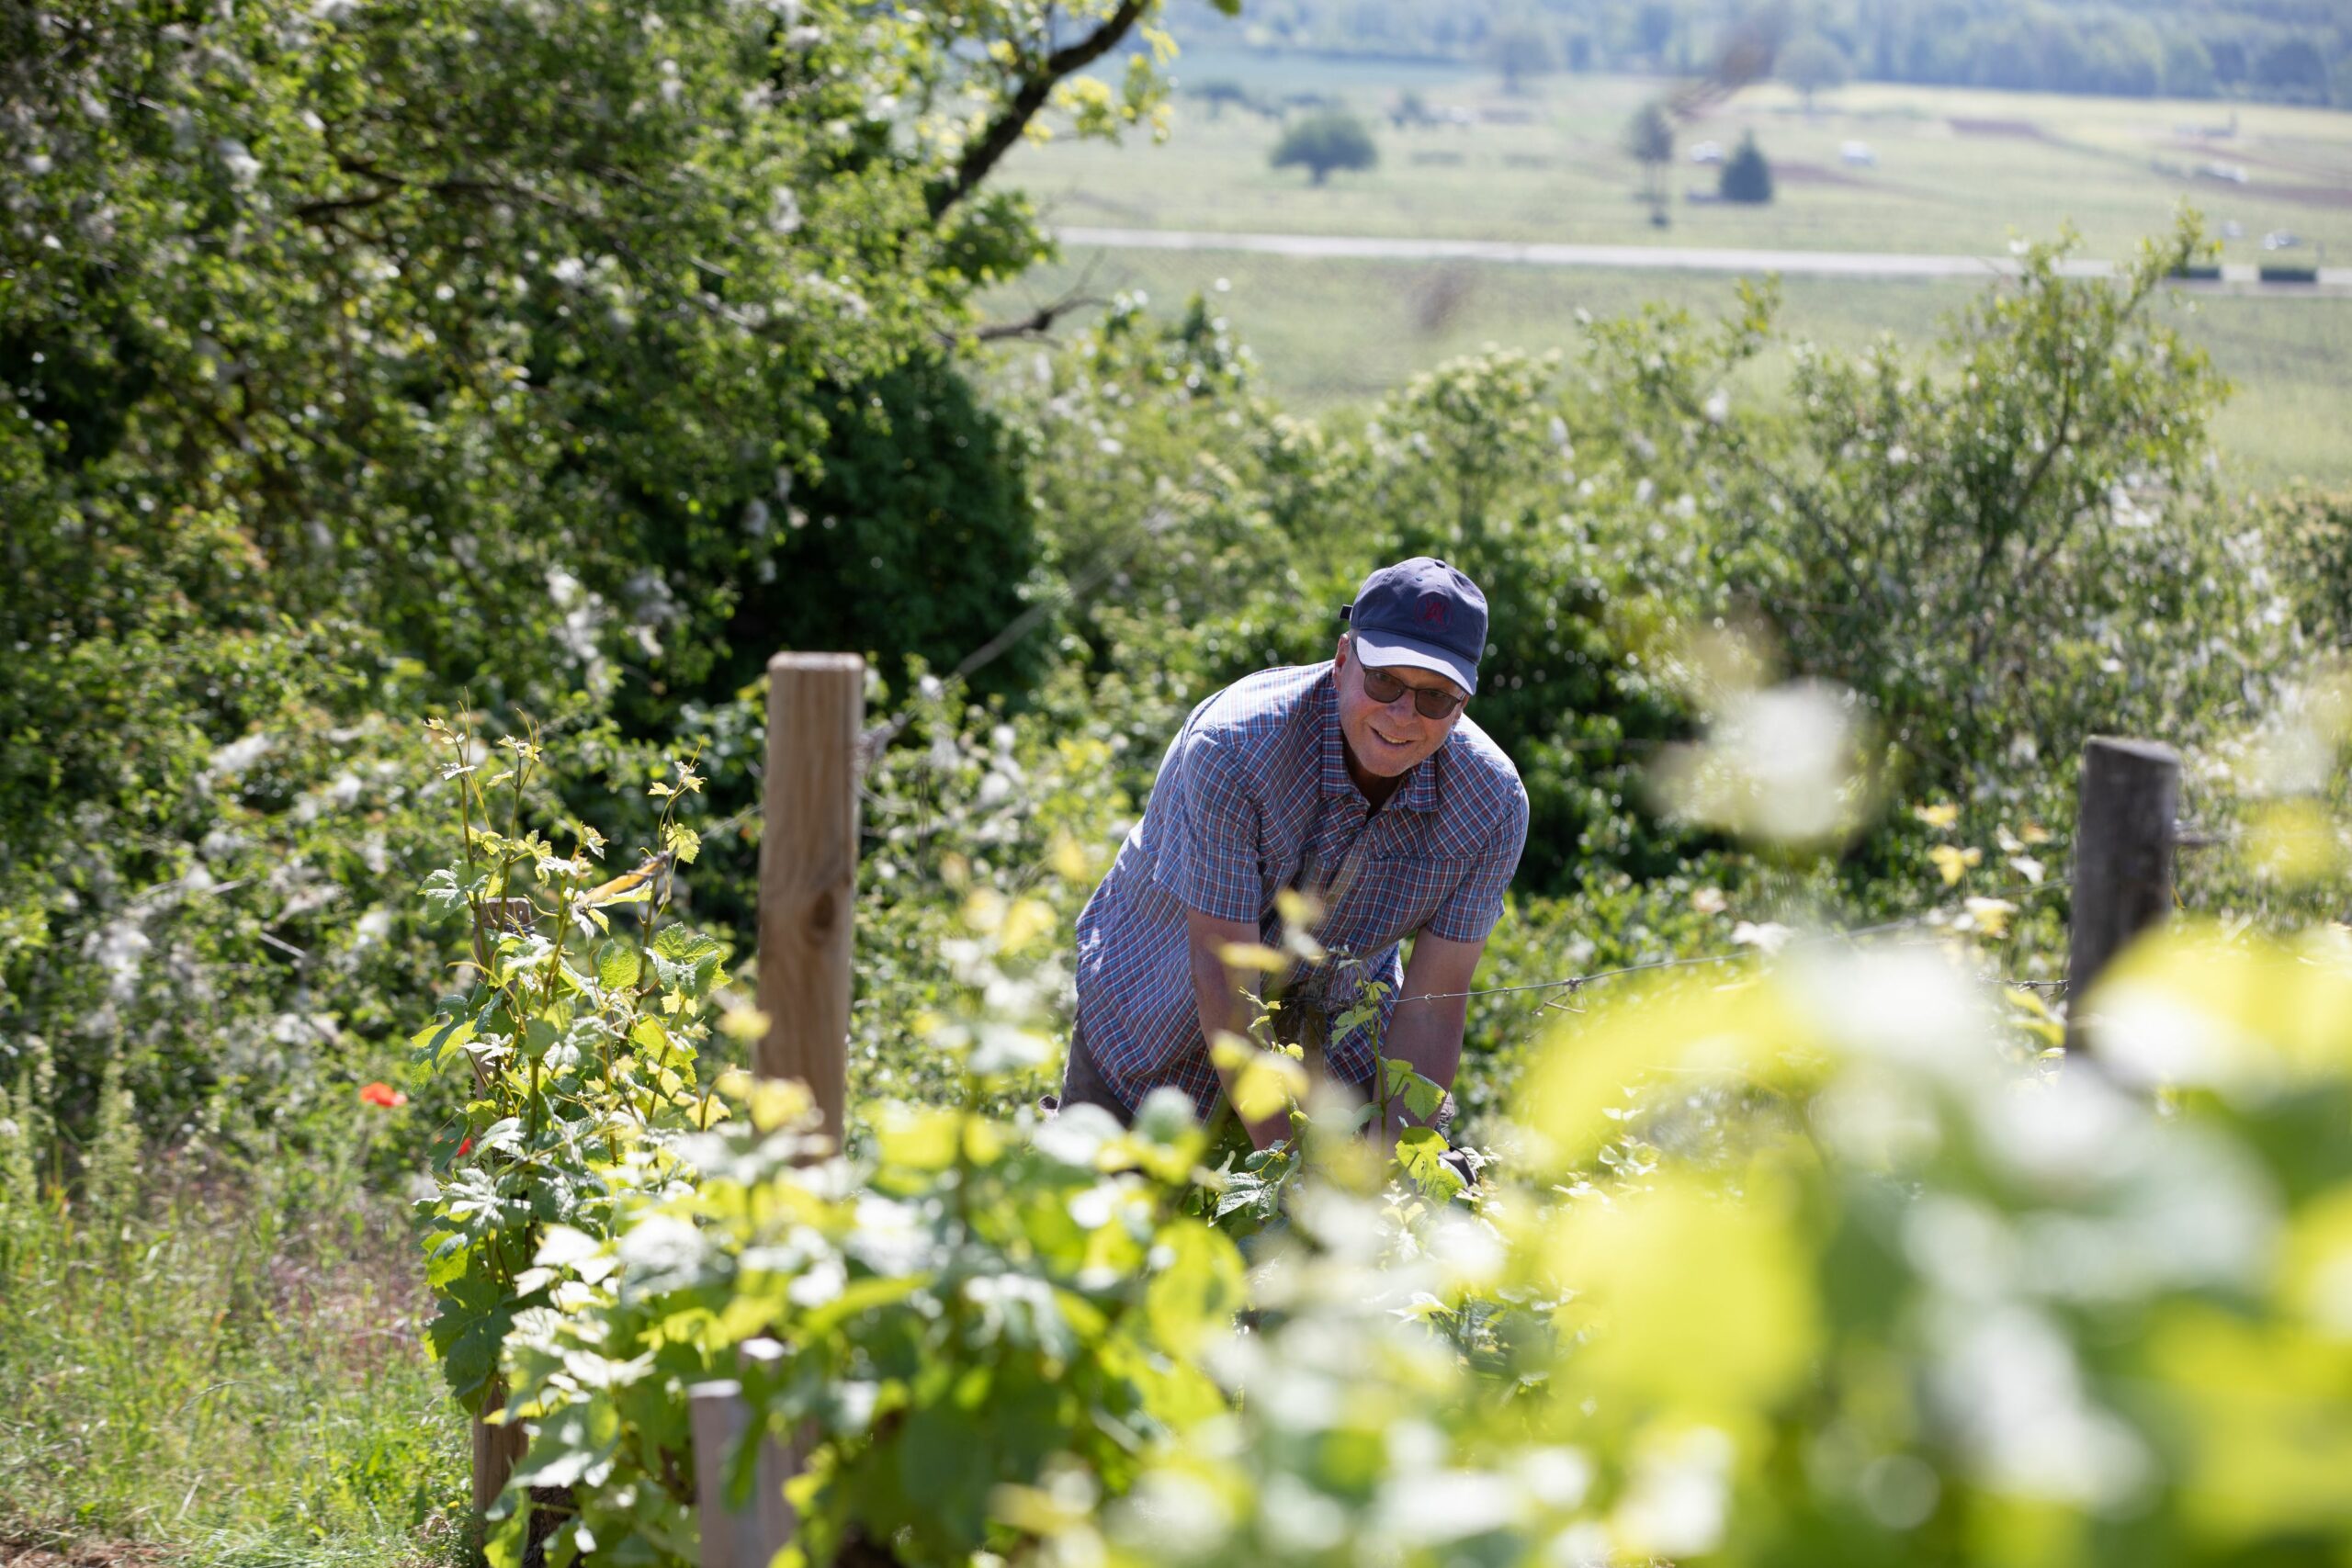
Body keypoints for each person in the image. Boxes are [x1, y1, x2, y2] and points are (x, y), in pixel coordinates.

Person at [1060, 557, 1529, 1148]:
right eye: (1385, 680)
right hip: (1151, 1029)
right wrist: (1286, 1169)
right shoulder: (1233, 748)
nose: (1403, 715)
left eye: (1435, 697)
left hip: (1331, 1050)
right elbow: (1225, 977)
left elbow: (1434, 1007)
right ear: (1341, 661)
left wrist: (1390, 1175)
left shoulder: (1492, 803)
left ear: (1462, 703)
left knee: (1350, 1223)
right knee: (1105, 1226)